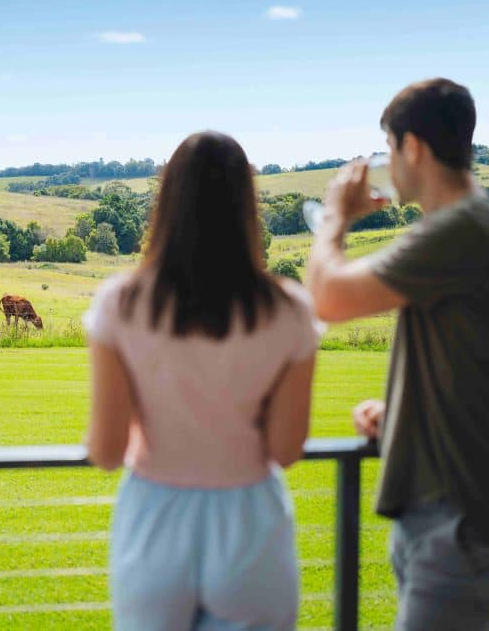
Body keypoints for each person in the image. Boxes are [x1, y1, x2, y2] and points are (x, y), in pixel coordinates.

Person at [305, 78, 489, 631]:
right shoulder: (479, 225)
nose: (390, 163)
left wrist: (334, 217)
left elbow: (328, 297)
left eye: (389, 148)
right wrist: (406, 418)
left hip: (461, 519)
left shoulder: (463, 230)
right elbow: (479, 364)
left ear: (413, 146)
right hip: (456, 510)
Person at [83, 131, 323, 631]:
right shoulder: (289, 310)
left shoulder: (120, 303)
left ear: (167, 200)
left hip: (154, 518)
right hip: (251, 522)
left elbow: (105, 451)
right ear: (246, 205)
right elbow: (284, 448)